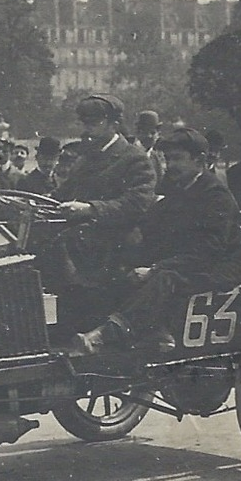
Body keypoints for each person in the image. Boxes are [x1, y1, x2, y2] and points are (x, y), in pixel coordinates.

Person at [73, 128, 241, 362]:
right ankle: (144, 331)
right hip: (185, 263)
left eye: (177, 158)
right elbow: (149, 232)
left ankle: (106, 335)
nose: (170, 165)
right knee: (119, 270)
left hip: (219, 267)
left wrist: (154, 268)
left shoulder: (217, 197)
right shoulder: (176, 192)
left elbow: (209, 251)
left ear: (199, 161)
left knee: (164, 279)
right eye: (167, 159)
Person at [52, 94, 158, 327]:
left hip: (118, 242)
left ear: (115, 124)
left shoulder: (134, 159)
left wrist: (90, 209)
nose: (86, 130)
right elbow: (62, 195)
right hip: (84, 239)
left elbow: (137, 203)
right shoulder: (85, 160)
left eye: (93, 123)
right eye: (84, 123)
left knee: (61, 249)